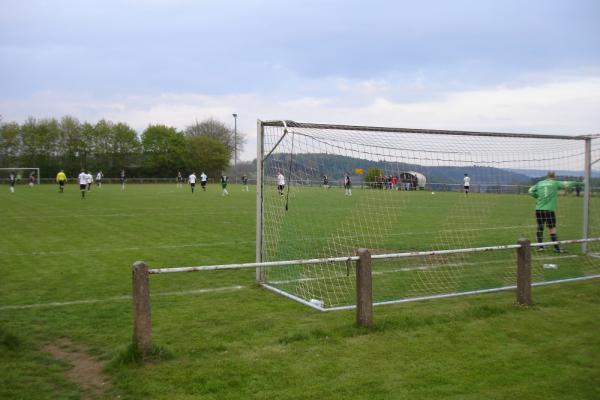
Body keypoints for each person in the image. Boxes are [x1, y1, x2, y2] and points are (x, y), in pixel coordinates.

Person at [528, 170, 577, 253]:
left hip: (539, 209)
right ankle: (556, 248)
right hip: (549, 210)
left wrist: (538, 197)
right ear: (554, 176)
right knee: (552, 229)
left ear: (547, 175)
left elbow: (530, 191)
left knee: (540, 227)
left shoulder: (540, 183)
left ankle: (540, 247)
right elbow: (568, 184)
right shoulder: (555, 183)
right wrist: (581, 183)